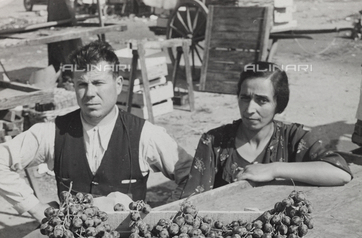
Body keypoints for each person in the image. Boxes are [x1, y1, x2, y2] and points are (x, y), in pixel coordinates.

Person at [0, 40, 192, 223]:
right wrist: (34, 207)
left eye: (98, 83)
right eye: (82, 84)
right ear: (74, 86)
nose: (90, 93)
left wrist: (163, 216)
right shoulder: (53, 132)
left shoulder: (145, 134)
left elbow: (194, 175)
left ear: (118, 84)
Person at [181, 61, 352, 198]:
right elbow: (193, 201)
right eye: (244, 98)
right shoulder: (214, 142)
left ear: (279, 104)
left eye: (262, 101)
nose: (249, 109)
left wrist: (274, 169)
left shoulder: (293, 138)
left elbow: (340, 173)